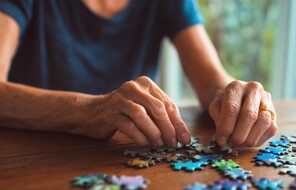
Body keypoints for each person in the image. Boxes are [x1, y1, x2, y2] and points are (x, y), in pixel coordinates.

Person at [0, 0, 277, 148]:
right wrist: (92, 111)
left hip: (127, 167)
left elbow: (210, 80)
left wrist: (233, 97)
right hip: (32, 161)